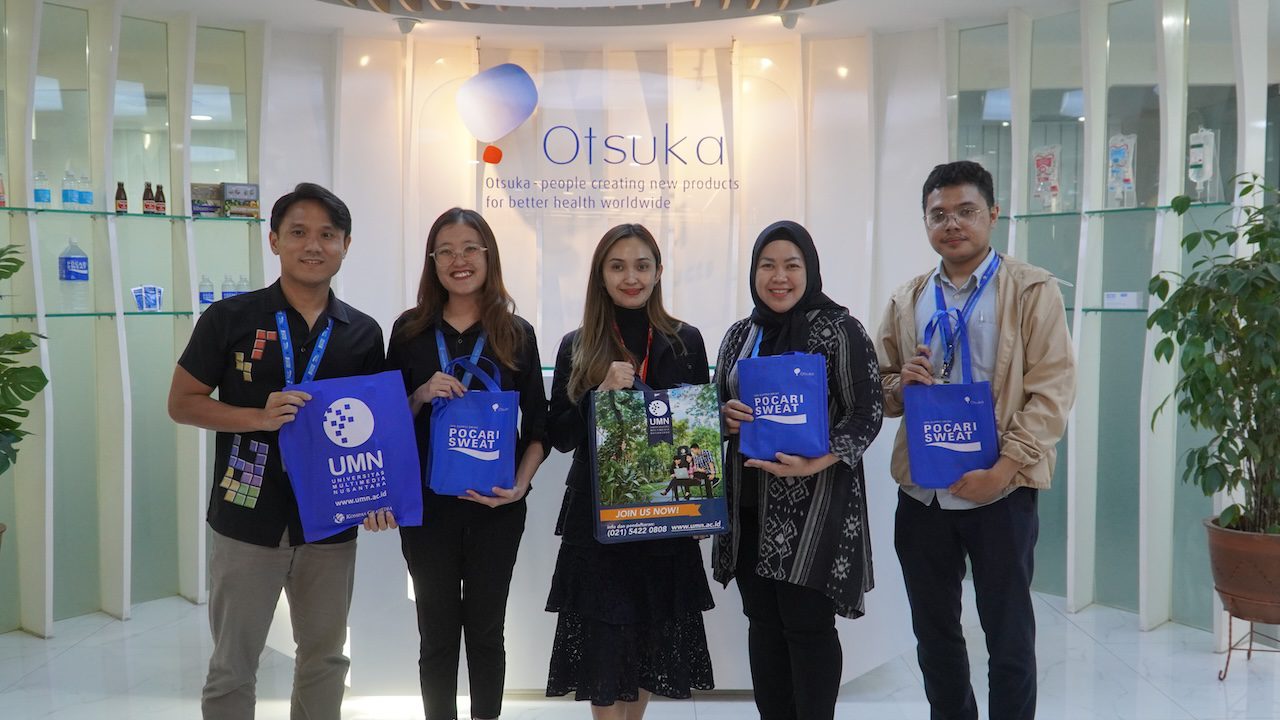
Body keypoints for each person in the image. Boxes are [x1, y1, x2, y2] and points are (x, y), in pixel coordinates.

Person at [167, 182, 387, 720]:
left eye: (327, 235)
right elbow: (182, 403)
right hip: (246, 515)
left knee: (325, 659)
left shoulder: (362, 333)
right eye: (299, 232)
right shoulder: (230, 318)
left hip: (330, 524)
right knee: (233, 665)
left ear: (346, 245)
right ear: (274, 241)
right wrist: (257, 418)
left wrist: (377, 497)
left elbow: (371, 429)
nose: (313, 245)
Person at [875, 160, 1076, 720]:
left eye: (966, 211)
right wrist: (900, 383)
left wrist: (1005, 470)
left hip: (1001, 491)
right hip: (924, 494)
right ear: (925, 222)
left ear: (993, 214)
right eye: (938, 214)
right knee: (934, 635)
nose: (952, 224)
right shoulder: (907, 298)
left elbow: (1053, 390)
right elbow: (880, 387)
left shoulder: (1031, 289)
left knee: (1008, 636)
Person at [712, 220, 884, 720]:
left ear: (809, 270)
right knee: (763, 626)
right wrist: (724, 417)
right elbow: (716, 409)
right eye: (767, 265)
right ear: (753, 273)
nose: (779, 277)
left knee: (809, 630)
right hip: (748, 511)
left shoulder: (840, 330)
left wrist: (819, 460)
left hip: (816, 513)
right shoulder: (741, 335)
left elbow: (867, 412)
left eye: (792, 265)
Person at [382, 208, 548, 720]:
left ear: (488, 255)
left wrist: (519, 487)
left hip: (496, 509)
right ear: (432, 261)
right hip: (426, 509)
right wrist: (419, 394)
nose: (460, 260)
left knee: (486, 631)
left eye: (470, 248)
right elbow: (386, 422)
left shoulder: (515, 332)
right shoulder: (408, 331)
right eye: (447, 251)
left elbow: (539, 429)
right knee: (435, 633)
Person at [545, 223, 715, 719]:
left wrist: (702, 505)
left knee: (648, 640)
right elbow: (561, 436)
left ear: (659, 272)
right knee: (604, 640)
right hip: (599, 521)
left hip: (666, 515)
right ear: (600, 275)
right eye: (617, 266)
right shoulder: (577, 345)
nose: (631, 277)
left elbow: (699, 431)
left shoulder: (685, 341)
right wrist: (597, 393)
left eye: (642, 266)